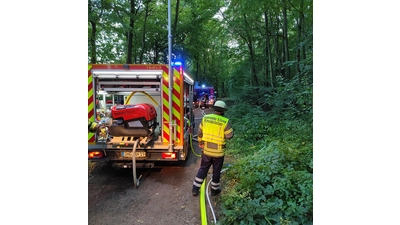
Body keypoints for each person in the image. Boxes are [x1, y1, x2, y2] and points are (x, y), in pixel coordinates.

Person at [192, 100, 234, 196]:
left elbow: (199, 133)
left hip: (206, 151)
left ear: (214, 109)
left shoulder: (205, 118)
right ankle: (214, 190)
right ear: (223, 111)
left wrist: (200, 142)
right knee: (216, 171)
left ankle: (195, 189)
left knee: (203, 169)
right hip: (218, 153)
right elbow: (229, 136)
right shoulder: (225, 121)